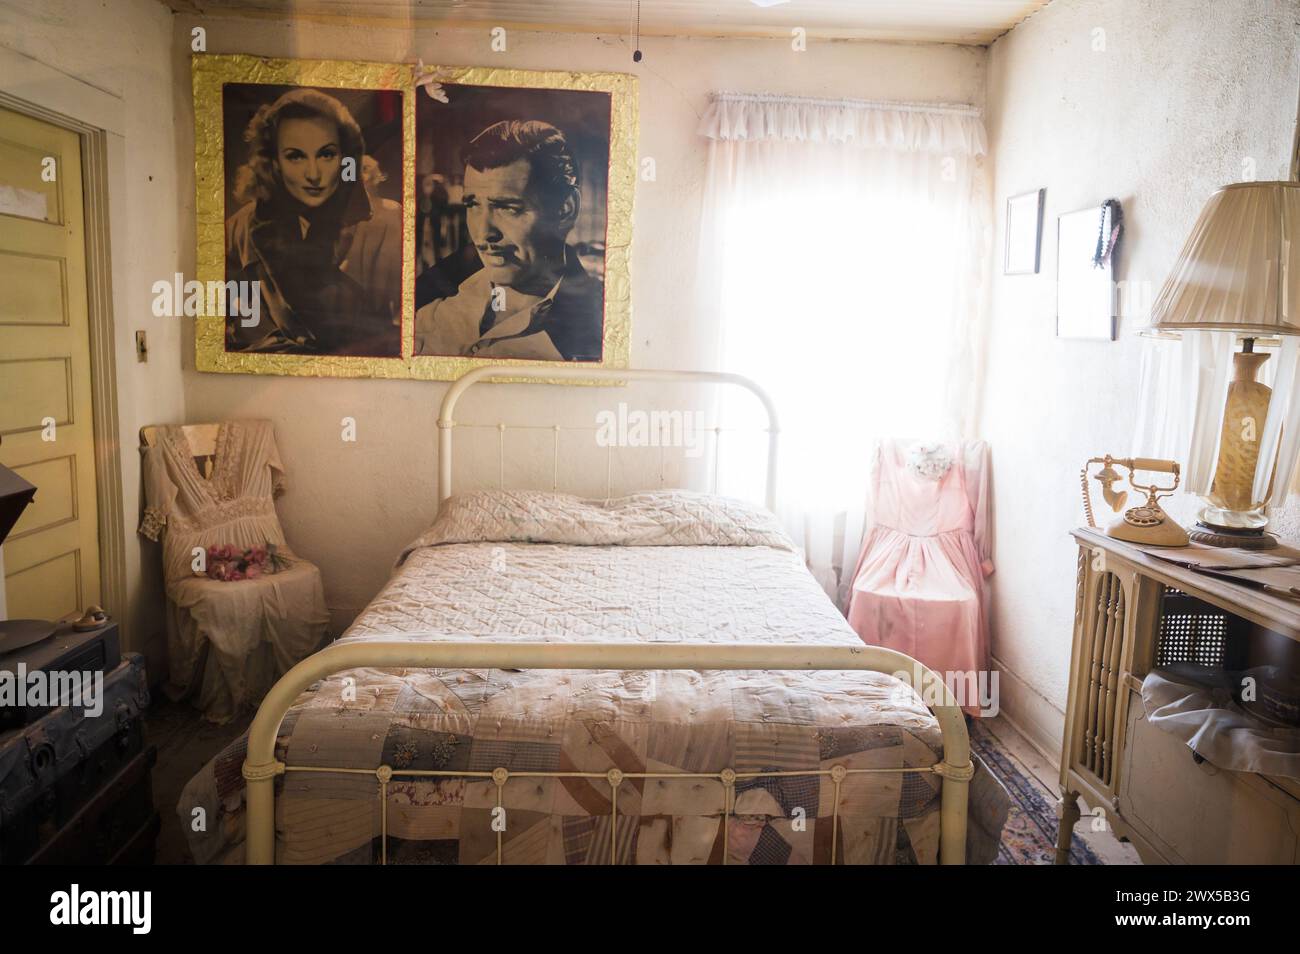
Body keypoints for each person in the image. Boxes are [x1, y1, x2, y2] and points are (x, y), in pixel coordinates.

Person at [225, 89, 401, 356]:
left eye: (326, 154)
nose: (314, 173)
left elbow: (399, 333)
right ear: (273, 161)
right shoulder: (240, 227)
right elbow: (236, 332)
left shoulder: (387, 222)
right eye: (296, 156)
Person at [414, 119, 604, 360]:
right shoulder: (431, 304)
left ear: (565, 210)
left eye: (507, 208)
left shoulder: (596, 335)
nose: (483, 233)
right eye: (472, 204)